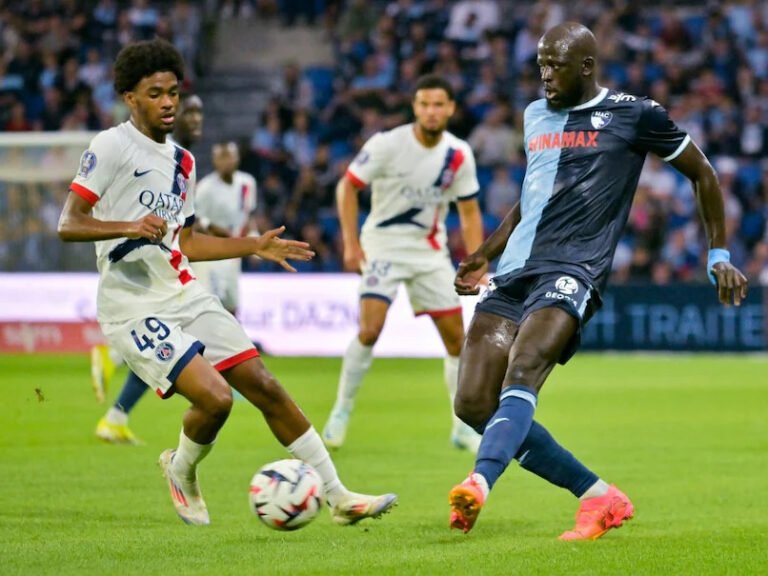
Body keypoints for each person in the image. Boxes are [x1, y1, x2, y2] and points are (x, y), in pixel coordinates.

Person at [58, 39, 397, 526]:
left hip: (185, 293)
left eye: (173, 91)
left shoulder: (184, 163)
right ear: (129, 97)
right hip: (132, 307)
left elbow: (189, 244)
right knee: (215, 399)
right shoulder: (111, 146)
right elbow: (69, 222)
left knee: (266, 387)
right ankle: (181, 469)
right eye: (155, 93)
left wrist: (253, 244)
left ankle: (339, 496)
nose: (169, 102)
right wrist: (130, 226)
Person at [446, 22, 748, 540]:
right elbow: (535, 192)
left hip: (574, 269)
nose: (544, 75)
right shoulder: (535, 116)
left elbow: (704, 174)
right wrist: (484, 254)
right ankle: (599, 496)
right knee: (472, 403)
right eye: (540, 64)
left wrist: (718, 253)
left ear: (586, 66)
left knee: (524, 371)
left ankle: (479, 482)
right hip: (515, 269)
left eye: (555, 65)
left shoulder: (636, 115)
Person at [322, 74, 484, 453]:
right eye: (424, 104)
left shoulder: (459, 153)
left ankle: (462, 424)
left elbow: (470, 212)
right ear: (415, 107)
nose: (431, 111)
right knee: (370, 329)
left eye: (438, 104)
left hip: (429, 252)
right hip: (383, 246)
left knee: (458, 341)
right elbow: (347, 186)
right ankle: (341, 411)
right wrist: (351, 243)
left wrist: (477, 260)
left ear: (450, 109)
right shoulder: (387, 144)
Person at [90, 91, 204, 444]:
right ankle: (114, 361)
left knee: (168, 346)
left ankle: (116, 413)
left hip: (175, 263)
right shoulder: (146, 150)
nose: (196, 119)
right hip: (158, 267)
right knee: (177, 345)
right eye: (192, 113)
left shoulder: (185, 161)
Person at [192, 141, 257, 315]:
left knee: (232, 304)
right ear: (214, 160)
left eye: (229, 156)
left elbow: (248, 214)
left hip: (233, 254)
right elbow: (195, 220)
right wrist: (214, 229)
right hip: (211, 255)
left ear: (237, 158)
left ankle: (233, 340)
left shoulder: (247, 183)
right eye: (221, 157)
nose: (226, 161)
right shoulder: (205, 188)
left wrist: (254, 234)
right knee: (211, 305)